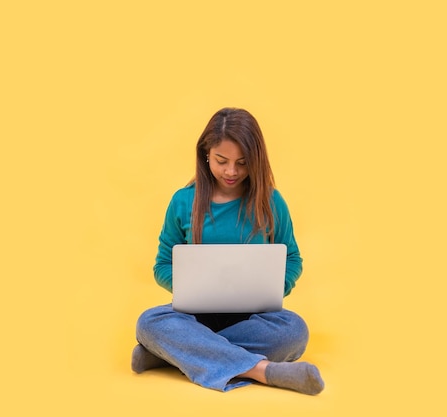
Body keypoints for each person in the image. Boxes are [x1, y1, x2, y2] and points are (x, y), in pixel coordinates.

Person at [132, 107, 324, 395]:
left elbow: (292, 257)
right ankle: (263, 371)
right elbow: (162, 264)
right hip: (195, 316)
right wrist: (189, 288)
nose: (231, 171)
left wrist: (274, 288)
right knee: (149, 322)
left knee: (294, 331)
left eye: (242, 163)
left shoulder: (271, 201)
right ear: (206, 153)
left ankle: (169, 354)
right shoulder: (184, 202)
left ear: (255, 161)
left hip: (253, 318)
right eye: (222, 161)